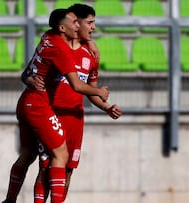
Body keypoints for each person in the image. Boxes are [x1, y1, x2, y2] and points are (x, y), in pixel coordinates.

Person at [2, 8, 109, 203]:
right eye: (78, 22)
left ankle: (9, 201)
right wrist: (100, 92)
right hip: (44, 107)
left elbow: (27, 72)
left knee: (32, 155)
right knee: (55, 158)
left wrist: (107, 106)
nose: (81, 26)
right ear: (63, 27)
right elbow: (77, 85)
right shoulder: (60, 49)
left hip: (52, 109)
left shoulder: (48, 37)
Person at [31, 4, 122, 202]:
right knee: (45, 167)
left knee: (68, 171)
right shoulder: (54, 44)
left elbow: (91, 90)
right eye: (89, 22)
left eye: (94, 23)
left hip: (75, 118)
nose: (93, 27)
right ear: (76, 23)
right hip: (51, 114)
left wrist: (107, 107)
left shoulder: (91, 55)